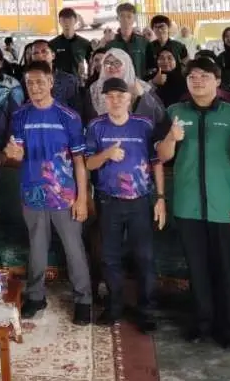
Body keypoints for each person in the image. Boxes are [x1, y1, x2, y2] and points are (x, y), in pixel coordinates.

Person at [156, 57, 230, 350]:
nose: (197, 81)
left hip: (226, 207)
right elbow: (161, 156)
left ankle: (227, 328)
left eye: (204, 76)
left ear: (217, 81)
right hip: (188, 207)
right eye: (192, 77)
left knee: (226, 270)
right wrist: (172, 139)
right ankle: (201, 323)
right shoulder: (174, 112)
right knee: (197, 269)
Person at [2, 61, 92, 325]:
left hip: (65, 195)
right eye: (29, 83)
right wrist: (12, 153)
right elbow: (15, 150)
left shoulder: (69, 116)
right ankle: (35, 295)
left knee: (74, 248)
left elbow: (79, 161)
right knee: (37, 247)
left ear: (51, 82)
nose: (35, 87)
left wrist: (82, 198)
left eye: (40, 82)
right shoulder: (20, 115)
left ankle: (83, 299)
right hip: (32, 193)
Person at [85, 78, 167, 332]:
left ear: (130, 99)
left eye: (121, 96)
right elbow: (88, 164)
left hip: (140, 201)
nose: (116, 100)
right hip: (108, 201)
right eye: (110, 96)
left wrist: (161, 198)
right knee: (110, 258)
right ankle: (115, 306)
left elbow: (157, 162)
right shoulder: (96, 126)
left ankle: (145, 309)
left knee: (144, 257)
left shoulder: (143, 125)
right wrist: (107, 154)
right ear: (103, 100)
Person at [108, 3, 150, 78]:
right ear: (117, 18)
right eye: (122, 16)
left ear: (134, 19)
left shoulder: (143, 42)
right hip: (118, 85)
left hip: (140, 85)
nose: (125, 19)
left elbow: (149, 66)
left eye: (129, 16)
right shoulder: (111, 44)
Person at [50, 8, 93, 77]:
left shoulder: (84, 43)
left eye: (70, 19)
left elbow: (91, 64)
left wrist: (88, 77)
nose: (67, 23)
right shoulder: (53, 44)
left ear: (75, 20)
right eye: (63, 20)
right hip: (59, 83)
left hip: (79, 81)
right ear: (59, 22)